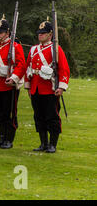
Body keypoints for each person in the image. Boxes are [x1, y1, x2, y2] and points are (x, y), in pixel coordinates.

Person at [25, 20, 70, 153]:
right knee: (38, 117)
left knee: (52, 117)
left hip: (49, 89)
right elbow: (29, 67)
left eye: (43, 33)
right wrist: (28, 86)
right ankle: (43, 143)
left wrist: (61, 87)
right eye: (39, 33)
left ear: (50, 35)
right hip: (36, 87)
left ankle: (52, 144)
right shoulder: (34, 49)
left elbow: (64, 69)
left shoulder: (55, 49)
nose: (40, 35)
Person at [0, 17, 26, 149]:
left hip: (9, 85)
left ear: (7, 33)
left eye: (0, 32)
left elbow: (21, 65)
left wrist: (14, 78)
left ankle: (9, 139)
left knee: (10, 113)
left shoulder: (15, 46)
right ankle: (2, 138)